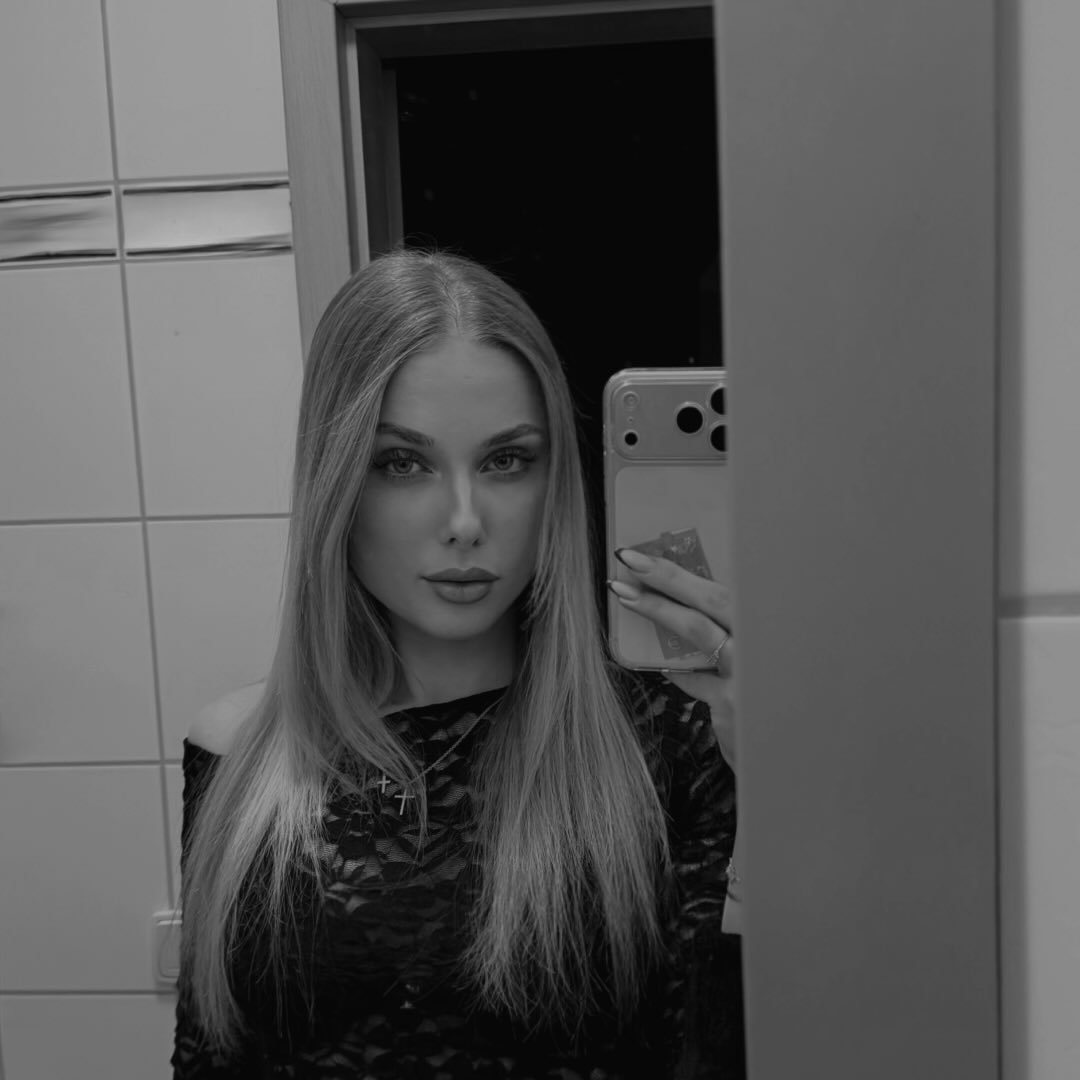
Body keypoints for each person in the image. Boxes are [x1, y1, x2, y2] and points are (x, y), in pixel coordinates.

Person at [171, 249, 742, 1079]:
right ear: (337, 483)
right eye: (403, 463)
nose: (465, 521)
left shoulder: (672, 739)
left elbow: (734, 1045)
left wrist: (777, 784)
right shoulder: (240, 752)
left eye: (507, 461)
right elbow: (208, 1058)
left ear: (555, 482)